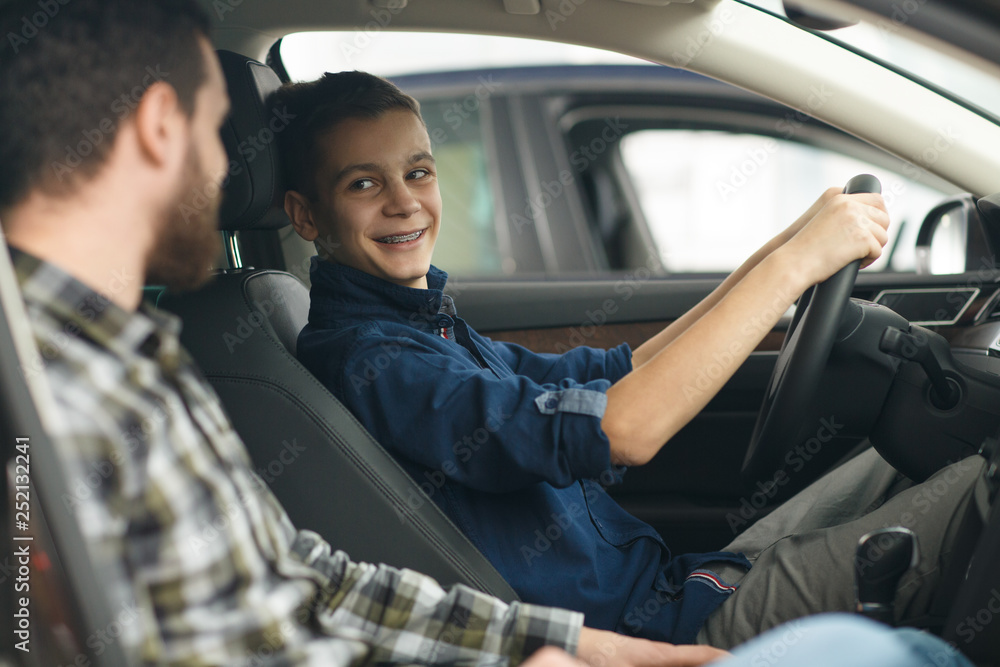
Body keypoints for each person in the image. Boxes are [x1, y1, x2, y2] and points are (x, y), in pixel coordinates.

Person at [0, 1, 733, 665]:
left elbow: (311, 584)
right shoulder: (48, 391)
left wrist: (576, 648)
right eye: (215, 130)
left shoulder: (136, 360)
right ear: (162, 127)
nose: (226, 170)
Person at [279, 72, 985, 648]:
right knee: (981, 495)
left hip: (684, 587)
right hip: (662, 637)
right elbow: (626, 428)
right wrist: (797, 265)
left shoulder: (424, 326)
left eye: (419, 171)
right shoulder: (379, 362)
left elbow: (615, 374)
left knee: (921, 448)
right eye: (364, 184)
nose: (405, 202)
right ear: (306, 216)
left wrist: (784, 250)